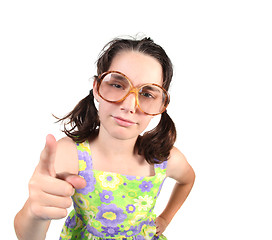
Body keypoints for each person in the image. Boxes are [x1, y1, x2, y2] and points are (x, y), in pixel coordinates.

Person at [14, 36, 195, 240]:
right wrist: (34, 213)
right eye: (118, 85)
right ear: (97, 88)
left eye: (147, 94)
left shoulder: (165, 159)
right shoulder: (70, 155)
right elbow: (28, 236)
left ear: (161, 105)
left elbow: (188, 180)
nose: (129, 105)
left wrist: (165, 219)